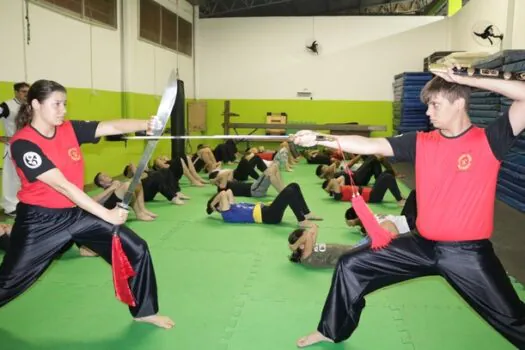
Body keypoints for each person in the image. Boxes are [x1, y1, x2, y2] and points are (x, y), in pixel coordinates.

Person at [292, 68, 525, 348]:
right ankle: (332, 329)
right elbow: (371, 144)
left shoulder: (489, 139)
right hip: (420, 245)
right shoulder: (421, 142)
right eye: (428, 106)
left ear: (460, 102)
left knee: (513, 319)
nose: (428, 113)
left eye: (435, 105)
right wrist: (320, 138)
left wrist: (467, 80)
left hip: (467, 254)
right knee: (351, 264)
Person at [0, 79, 174, 329]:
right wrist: (107, 214)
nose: (63, 110)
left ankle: (144, 311)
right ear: (36, 104)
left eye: (65, 104)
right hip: (39, 222)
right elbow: (62, 186)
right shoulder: (23, 143)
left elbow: (110, 125)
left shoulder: (70, 129)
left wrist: (146, 124)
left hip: (75, 215)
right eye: (57, 104)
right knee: (9, 281)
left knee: (135, 248)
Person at [206, 183, 322, 227]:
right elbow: (222, 193)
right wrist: (212, 205)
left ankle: (306, 213)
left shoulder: (232, 206)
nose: (224, 199)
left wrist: (216, 202)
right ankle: (301, 220)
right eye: (220, 202)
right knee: (289, 192)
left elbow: (228, 191)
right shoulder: (227, 214)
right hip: (268, 216)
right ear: (219, 207)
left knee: (294, 186)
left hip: (268, 210)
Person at [0, 82, 30, 217]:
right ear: (16, 92)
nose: (26, 94)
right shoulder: (6, 106)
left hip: (28, 145)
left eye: (28, 92)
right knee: (11, 177)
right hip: (12, 146)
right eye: (23, 91)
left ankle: (22, 203)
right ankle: (9, 206)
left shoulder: (30, 106)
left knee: (24, 176)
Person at [93, 173, 158, 221]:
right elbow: (95, 200)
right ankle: (139, 214)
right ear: (101, 182)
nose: (107, 175)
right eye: (104, 176)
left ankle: (143, 209)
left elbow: (145, 175)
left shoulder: (115, 182)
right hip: (110, 206)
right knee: (127, 186)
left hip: (118, 198)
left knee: (137, 183)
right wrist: (112, 188)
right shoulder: (105, 191)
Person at [322, 171, 406, 207]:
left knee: (385, 174)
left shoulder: (340, 187)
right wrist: (328, 188)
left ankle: (399, 194)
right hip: (372, 197)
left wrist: (329, 186)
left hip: (370, 191)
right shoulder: (337, 195)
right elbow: (333, 181)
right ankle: (399, 199)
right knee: (388, 177)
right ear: (331, 187)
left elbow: (342, 177)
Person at [209, 161, 285, 197]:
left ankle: (283, 188)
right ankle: (283, 193)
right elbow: (224, 174)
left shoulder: (228, 182)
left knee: (274, 166)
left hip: (255, 187)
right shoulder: (221, 188)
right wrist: (215, 180)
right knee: (271, 173)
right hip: (254, 190)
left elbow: (229, 172)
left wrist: (216, 179)